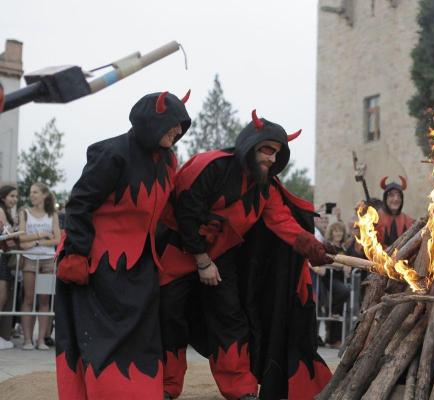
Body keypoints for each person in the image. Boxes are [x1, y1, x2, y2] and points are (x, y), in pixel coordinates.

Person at [158, 110, 332, 400]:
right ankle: (166, 385)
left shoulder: (265, 190)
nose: (272, 159)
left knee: (230, 318)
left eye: (277, 153)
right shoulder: (209, 166)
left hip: (223, 257)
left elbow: (283, 222)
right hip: (178, 250)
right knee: (169, 315)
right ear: (250, 144)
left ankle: (240, 387)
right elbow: (185, 211)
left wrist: (313, 247)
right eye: (267, 150)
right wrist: (202, 261)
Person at [55, 90, 191, 399]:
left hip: (140, 264)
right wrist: (76, 252)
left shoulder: (168, 160)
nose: (178, 131)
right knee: (103, 337)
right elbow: (79, 203)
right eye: (173, 124)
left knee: (142, 336)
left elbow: (167, 209)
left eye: (181, 125)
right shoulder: (113, 153)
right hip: (97, 262)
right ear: (152, 122)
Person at [17, 183, 60, 350]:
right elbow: (21, 239)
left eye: (35, 192)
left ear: (44, 195)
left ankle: (41, 339)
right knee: (28, 299)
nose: (32, 195)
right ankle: (27, 340)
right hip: (29, 259)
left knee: (44, 300)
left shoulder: (52, 214)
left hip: (48, 260)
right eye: (30, 192)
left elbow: (57, 239)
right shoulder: (25, 213)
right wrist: (40, 236)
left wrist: (34, 241)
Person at [320, 221, 350, 348]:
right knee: (344, 292)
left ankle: (334, 340)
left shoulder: (343, 248)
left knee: (342, 311)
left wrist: (347, 268)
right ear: (331, 232)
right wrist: (342, 265)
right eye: (336, 231)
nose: (339, 233)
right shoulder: (327, 246)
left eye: (340, 231)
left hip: (340, 279)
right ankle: (332, 309)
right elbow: (326, 260)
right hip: (330, 279)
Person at [0, 185, 18, 350]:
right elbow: (5, 234)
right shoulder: (1, 211)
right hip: (1, 257)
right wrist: (18, 232)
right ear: (4, 197)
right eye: (12, 196)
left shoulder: (8, 213)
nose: (14, 199)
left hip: (4, 257)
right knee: (2, 296)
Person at [376, 176, 414, 246]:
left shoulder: (408, 220)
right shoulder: (375, 218)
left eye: (399, 196)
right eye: (391, 195)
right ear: (385, 198)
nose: (396, 199)